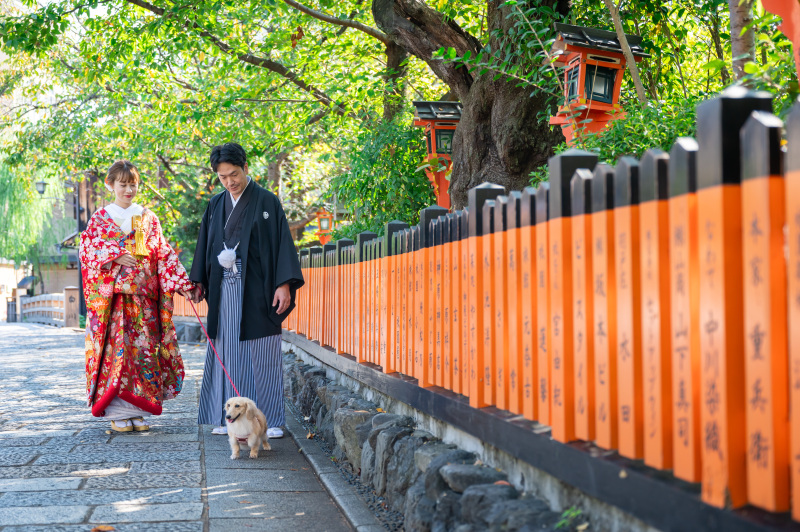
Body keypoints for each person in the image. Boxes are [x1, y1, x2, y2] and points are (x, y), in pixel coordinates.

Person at [190, 142, 303, 438]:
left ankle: (271, 420)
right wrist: (199, 281)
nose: (230, 181)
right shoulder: (216, 204)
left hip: (258, 287)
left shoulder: (267, 201)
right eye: (223, 177)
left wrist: (283, 284)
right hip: (225, 287)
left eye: (234, 174)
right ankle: (229, 419)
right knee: (228, 351)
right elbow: (205, 245)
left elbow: (281, 245)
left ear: (246, 168)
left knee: (263, 351)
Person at [79, 160, 196, 432]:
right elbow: (88, 249)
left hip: (143, 299)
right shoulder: (99, 218)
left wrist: (181, 281)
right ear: (110, 185)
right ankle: (118, 411)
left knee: (143, 351)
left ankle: (139, 408)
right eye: (123, 185)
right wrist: (114, 254)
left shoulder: (147, 217)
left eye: (133, 184)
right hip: (112, 301)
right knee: (114, 351)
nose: (129, 190)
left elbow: (162, 252)